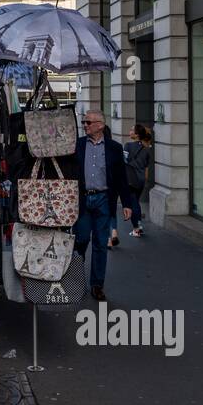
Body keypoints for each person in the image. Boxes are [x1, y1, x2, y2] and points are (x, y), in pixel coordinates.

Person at [73, 110, 129, 301]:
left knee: (100, 244)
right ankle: (76, 281)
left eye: (88, 122)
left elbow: (122, 178)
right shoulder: (78, 145)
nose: (85, 125)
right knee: (80, 240)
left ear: (100, 125)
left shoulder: (114, 148)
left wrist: (127, 203)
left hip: (104, 200)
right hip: (83, 199)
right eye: (84, 122)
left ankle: (97, 285)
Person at [122, 123, 153, 237]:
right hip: (141, 179)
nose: (129, 131)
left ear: (136, 134)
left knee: (133, 203)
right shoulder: (146, 148)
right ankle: (138, 225)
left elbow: (123, 162)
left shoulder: (128, 145)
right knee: (136, 202)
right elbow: (146, 167)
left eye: (131, 130)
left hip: (130, 178)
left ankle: (137, 228)